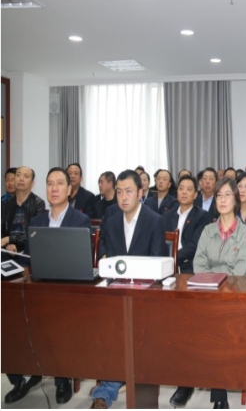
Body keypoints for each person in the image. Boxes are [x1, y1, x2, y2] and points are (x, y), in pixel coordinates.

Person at [7, 167, 92, 406]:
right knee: (12, 317)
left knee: (58, 320)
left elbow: (83, 262)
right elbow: (28, 259)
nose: (54, 189)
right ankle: (22, 376)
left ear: (69, 189)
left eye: (59, 184)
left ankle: (62, 379)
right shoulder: (37, 221)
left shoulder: (81, 220)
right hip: (39, 288)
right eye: (50, 184)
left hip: (69, 292)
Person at [90, 170, 166, 409]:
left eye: (129, 191)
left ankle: (107, 390)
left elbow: (158, 265)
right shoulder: (111, 219)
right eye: (120, 192)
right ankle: (112, 382)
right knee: (105, 329)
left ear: (141, 192)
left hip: (146, 297)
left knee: (129, 331)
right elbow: (106, 254)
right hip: (116, 294)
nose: (123, 197)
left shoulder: (155, 220)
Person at [194, 177, 246, 409]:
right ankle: (188, 381)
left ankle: (218, 395)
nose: (222, 199)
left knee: (216, 328)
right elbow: (198, 265)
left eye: (227, 195)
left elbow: (238, 272)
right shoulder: (207, 230)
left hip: (237, 297)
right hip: (208, 295)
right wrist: (213, 279)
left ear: (236, 199)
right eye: (218, 195)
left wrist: (212, 277)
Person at [162, 175, 210, 408]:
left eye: (189, 189)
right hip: (165, 272)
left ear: (195, 194)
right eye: (181, 188)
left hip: (189, 272)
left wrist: (171, 258)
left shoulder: (202, 216)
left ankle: (186, 382)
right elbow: (159, 241)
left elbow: (195, 246)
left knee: (187, 328)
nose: (184, 192)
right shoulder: (166, 215)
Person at [1, 166, 45, 264]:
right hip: (7, 251)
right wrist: (7, 245)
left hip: (28, 251)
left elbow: (34, 234)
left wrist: (9, 239)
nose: (21, 179)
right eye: (18, 175)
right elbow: (1, 231)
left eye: (26, 176)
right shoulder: (5, 204)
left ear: (32, 183)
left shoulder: (38, 203)